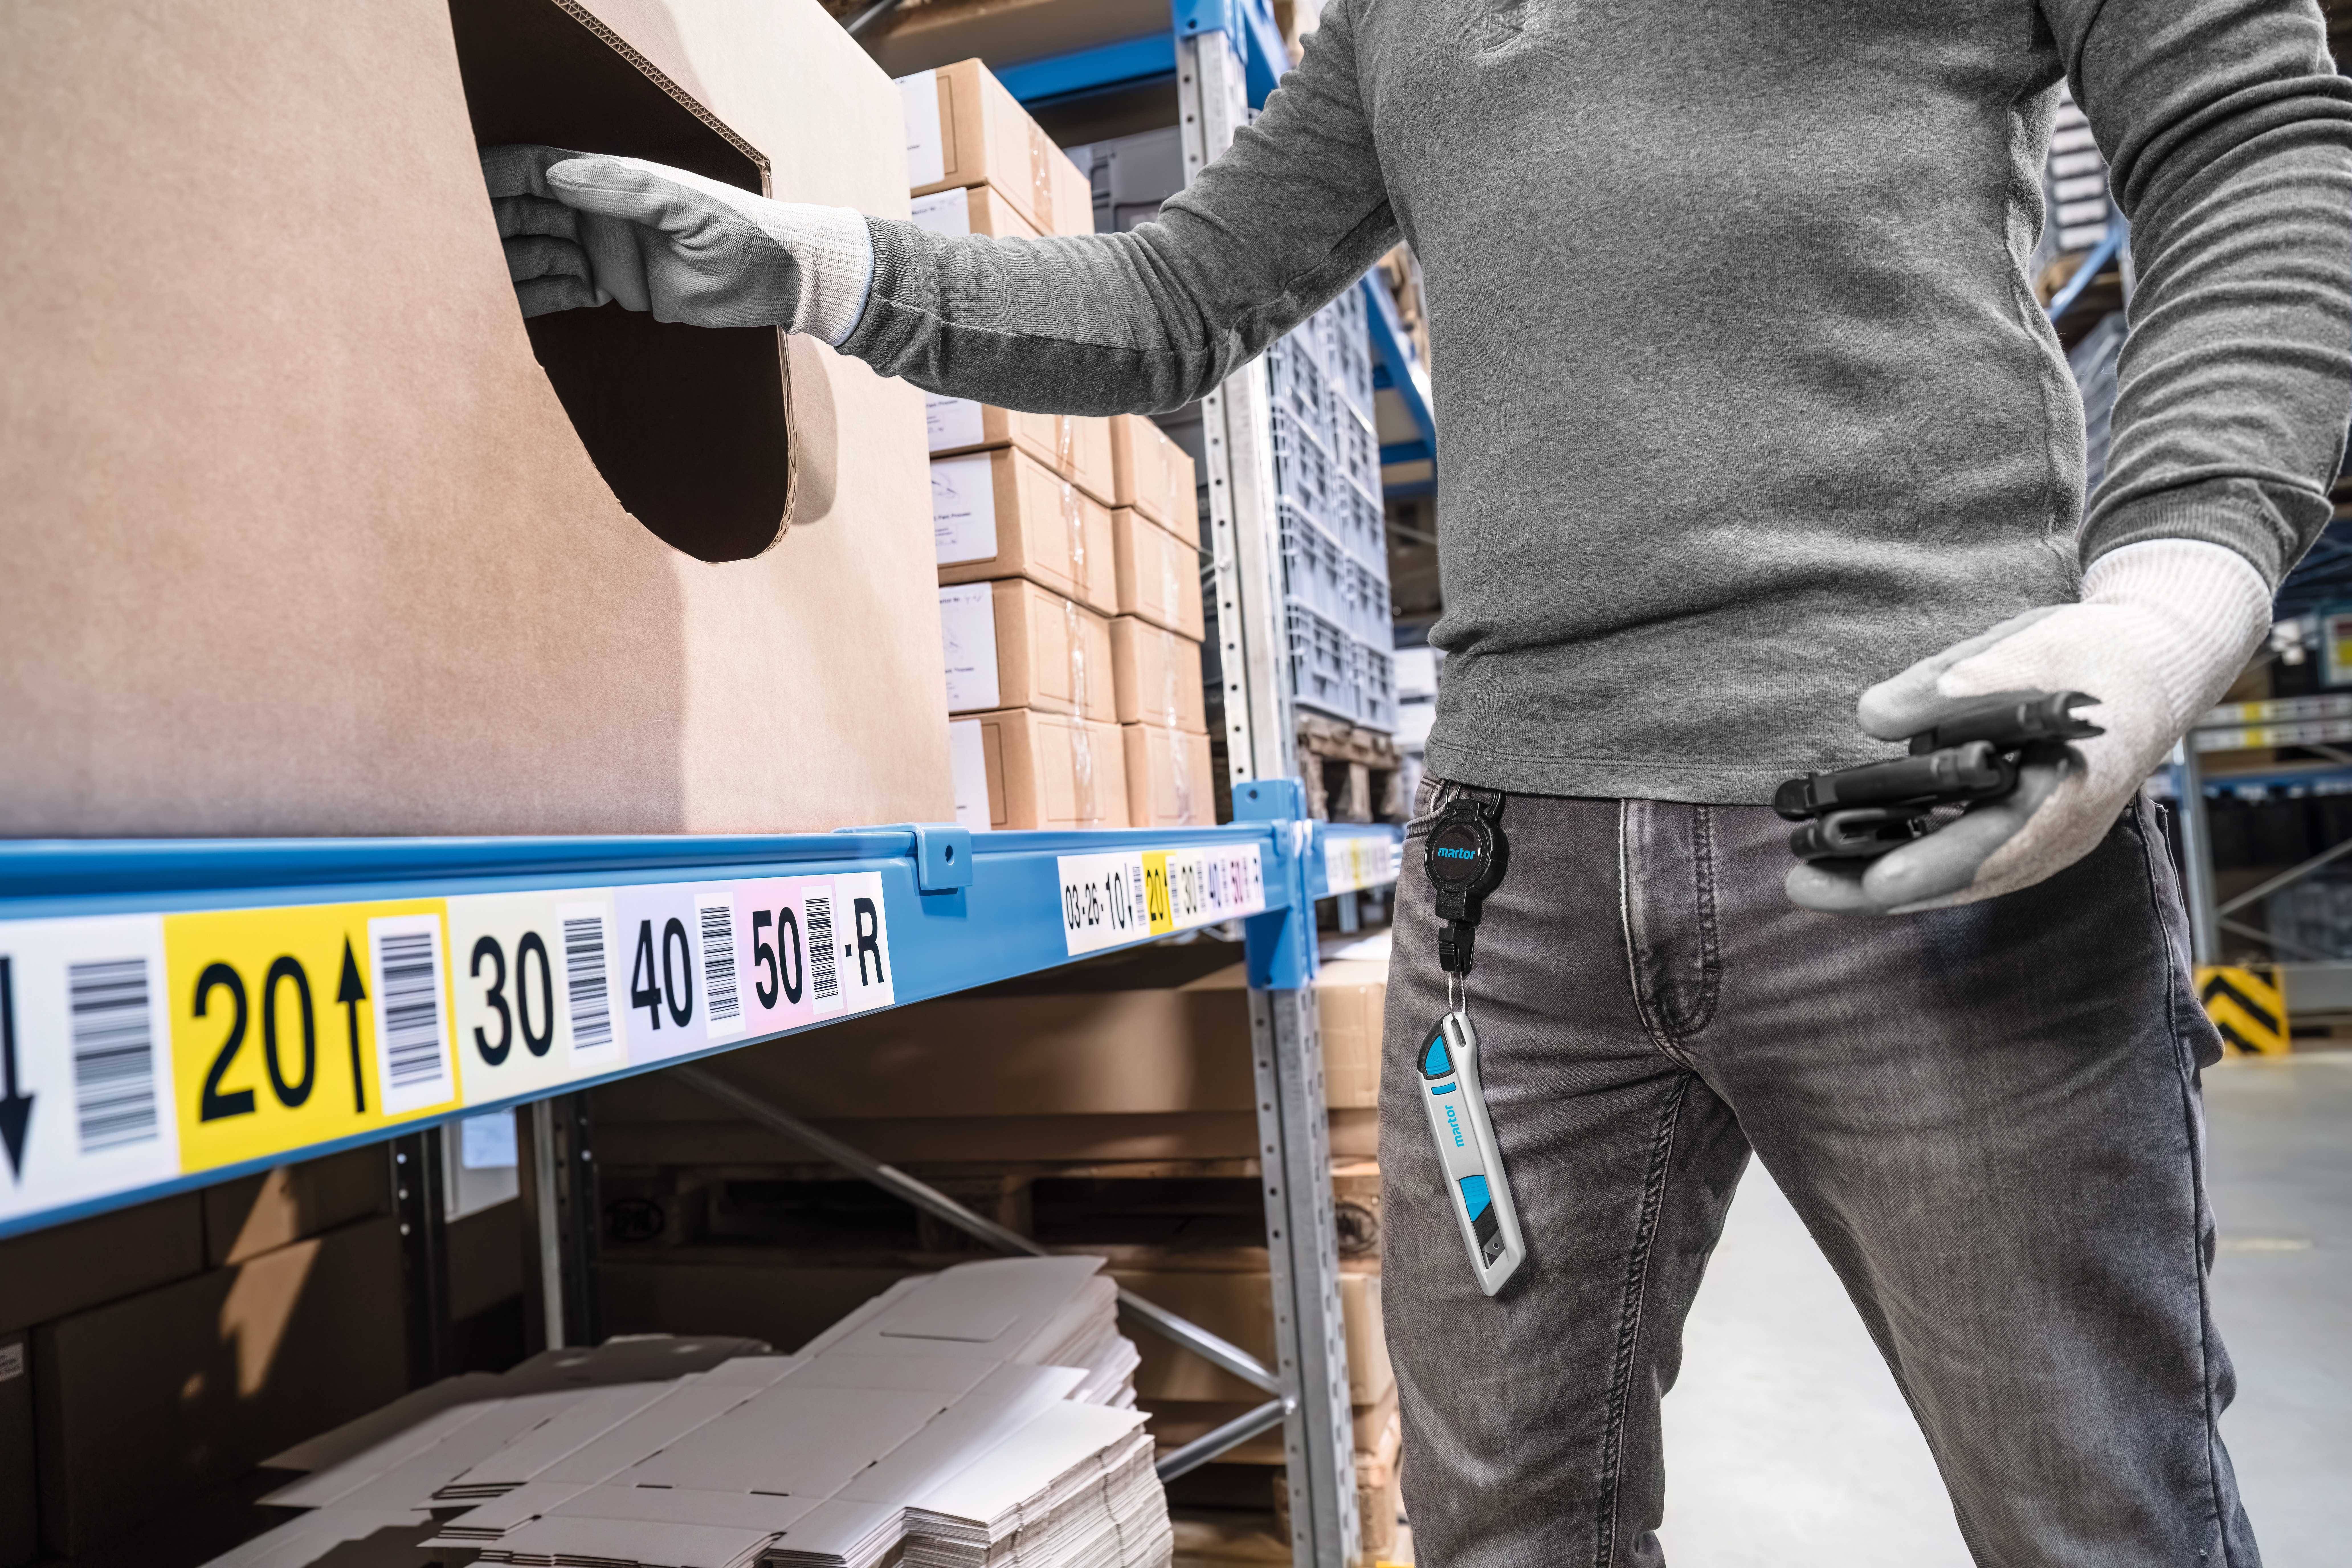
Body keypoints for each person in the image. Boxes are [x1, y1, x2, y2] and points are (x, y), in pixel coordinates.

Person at [485, 2, 2352, 1561]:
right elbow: (1178, 294)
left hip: (1935, 818)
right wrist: (816, 269)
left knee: (2097, 1517)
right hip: (1510, 895)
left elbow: (2249, 133)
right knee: (1503, 1531)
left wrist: (2170, 601)